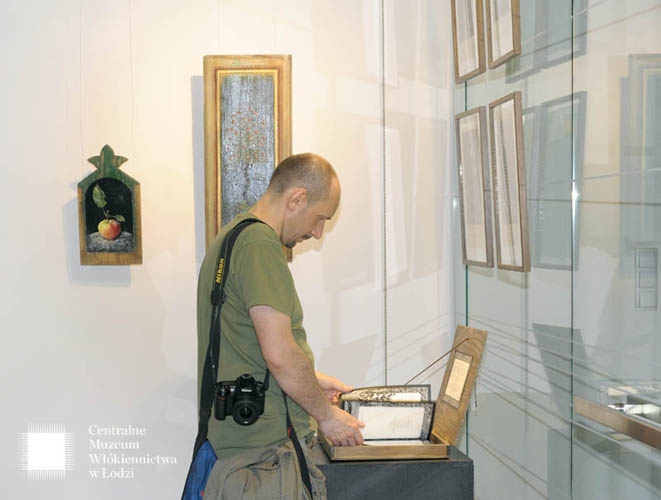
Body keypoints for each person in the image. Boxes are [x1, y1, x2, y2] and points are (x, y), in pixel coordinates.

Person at [196, 153, 365, 499]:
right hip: (263, 461)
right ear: (297, 199)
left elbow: (249, 348)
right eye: (320, 218)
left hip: (242, 455)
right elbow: (280, 354)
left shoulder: (232, 236)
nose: (317, 233)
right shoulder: (259, 245)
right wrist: (326, 416)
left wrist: (312, 382)